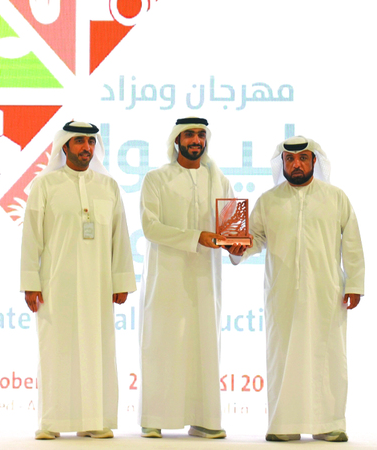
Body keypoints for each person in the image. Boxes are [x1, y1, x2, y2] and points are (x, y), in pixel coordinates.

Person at [228, 136, 365, 443]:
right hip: (283, 295)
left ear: (314, 161)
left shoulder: (336, 198)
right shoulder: (268, 201)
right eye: (290, 159)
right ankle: (284, 424)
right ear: (283, 163)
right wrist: (237, 250)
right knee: (283, 356)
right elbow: (254, 239)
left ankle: (328, 424)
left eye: (303, 158)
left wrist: (355, 283)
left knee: (327, 357)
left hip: (326, 293)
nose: (296, 164)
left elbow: (352, 243)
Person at [20, 121, 136, 440]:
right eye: (80, 141)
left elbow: (120, 237)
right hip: (56, 285)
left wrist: (121, 281)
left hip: (98, 286)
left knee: (98, 350)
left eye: (91, 142)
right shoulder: (45, 185)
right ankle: (52, 421)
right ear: (65, 146)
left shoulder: (108, 187)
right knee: (56, 350)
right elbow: (31, 237)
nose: (87, 147)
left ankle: (94, 420)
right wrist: (31, 282)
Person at [138, 117, 236, 439]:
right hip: (166, 278)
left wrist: (236, 246)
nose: (196, 140)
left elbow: (231, 229)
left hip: (205, 280)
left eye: (201, 135)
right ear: (177, 140)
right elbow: (151, 227)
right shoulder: (156, 179)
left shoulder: (219, 180)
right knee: (162, 344)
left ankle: (204, 419)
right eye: (190, 135)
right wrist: (196, 237)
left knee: (203, 347)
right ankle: (154, 417)